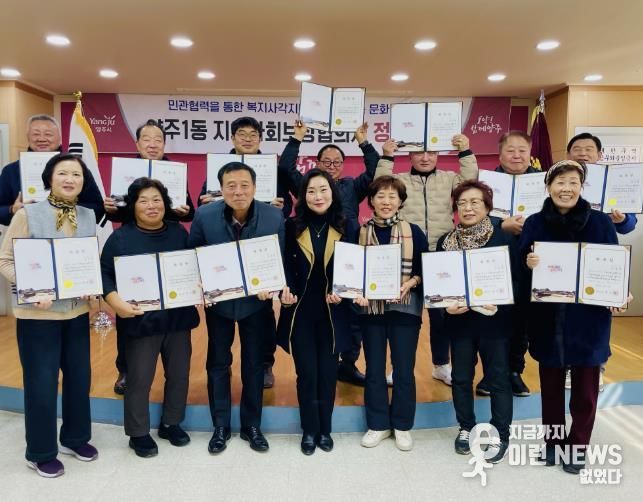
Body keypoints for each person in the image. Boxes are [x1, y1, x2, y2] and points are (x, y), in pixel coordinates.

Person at [519, 160, 632, 474]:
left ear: (582, 187)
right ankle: (553, 443)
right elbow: (520, 262)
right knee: (551, 387)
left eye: (572, 182)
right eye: (559, 182)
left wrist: (619, 292)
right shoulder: (535, 222)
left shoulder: (600, 222)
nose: (566, 189)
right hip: (547, 315)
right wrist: (528, 261)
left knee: (585, 389)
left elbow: (613, 264)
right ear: (548, 186)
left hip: (588, 317)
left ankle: (578, 446)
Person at [0, 153, 99, 478]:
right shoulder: (28, 214)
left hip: (76, 312)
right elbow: (5, 260)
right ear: (49, 179)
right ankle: (40, 452)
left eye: (77, 174)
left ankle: (75, 438)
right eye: (63, 173)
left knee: (79, 378)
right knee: (41, 383)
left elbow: (89, 260)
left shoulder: (87, 215)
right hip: (38, 316)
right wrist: (31, 288)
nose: (70, 179)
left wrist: (91, 287)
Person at [189, 161, 285, 454]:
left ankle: (251, 426)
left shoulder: (273, 216)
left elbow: (279, 259)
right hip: (219, 304)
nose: (238, 191)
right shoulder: (205, 215)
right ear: (221, 189)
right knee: (218, 363)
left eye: (245, 185)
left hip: (256, 304)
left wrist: (273, 286)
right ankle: (220, 426)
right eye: (231, 185)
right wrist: (199, 284)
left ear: (255, 188)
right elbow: (193, 255)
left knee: (254, 364)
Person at [100, 178, 200, 458]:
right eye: (143, 201)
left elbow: (192, 266)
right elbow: (103, 273)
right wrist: (115, 302)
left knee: (179, 374)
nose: (151, 206)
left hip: (178, 317)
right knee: (139, 378)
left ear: (165, 204)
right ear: (132, 205)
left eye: (157, 199)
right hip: (139, 320)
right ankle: (138, 432)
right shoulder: (120, 237)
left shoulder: (179, 232)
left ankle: (171, 423)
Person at [279, 121, 381, 386]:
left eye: (337, 162)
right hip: (315, 262)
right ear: (318, 163)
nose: (332, 165)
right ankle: (323, 366)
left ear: (343, 165)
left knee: (351, 321)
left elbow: (375, 170)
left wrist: (364, 142)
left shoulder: (352, 186)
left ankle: (348, 364)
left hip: (347, 262)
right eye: (327, 161)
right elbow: (286, 168)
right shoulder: (307, 185)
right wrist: (296, 138)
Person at [376, 135, 478, 387]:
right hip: (407, 254)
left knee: (440, 314)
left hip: (440, 254)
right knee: (401, 314)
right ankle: (397, 367)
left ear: (438, 154)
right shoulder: (400, 179)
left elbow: (470, 182)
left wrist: (465, 152)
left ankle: (441, 365)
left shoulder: (449, 179)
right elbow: (380, 185)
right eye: (419, 152)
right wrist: (387, 156)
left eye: (431, 152)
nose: (425, 157)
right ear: (409, 155)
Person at [103, 119, 195, 397]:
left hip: (168, 241)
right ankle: (125, 369)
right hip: (134, 245)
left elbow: (188, 211)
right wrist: (110, 208)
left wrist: (183, 210)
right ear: (137, 143)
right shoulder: (124, 172)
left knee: (169, 313)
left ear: (164, 144)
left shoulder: (173, 172)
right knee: (131, 312)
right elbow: (119, 212)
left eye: (158, 140)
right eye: (147, 139)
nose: (153, 144)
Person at [198, 116, 291, 389]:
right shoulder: (219, 169)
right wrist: (207, 201)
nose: (247, 139)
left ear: (260, 139)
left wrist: (279, 206)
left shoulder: (272, 170)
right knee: (220, 335)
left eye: (253, 134)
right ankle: (222, 369)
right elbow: (202, 208)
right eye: (242, 134)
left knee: (262, 324)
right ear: (232, 138)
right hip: (223, 267)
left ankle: (265, 365)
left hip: (258, 264)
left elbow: (285, 210)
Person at [437, 180, 516, 464]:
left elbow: (517, 279)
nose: (468, 208)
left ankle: (500, 433)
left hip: (495, 322)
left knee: (498, 378)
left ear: (487, 207)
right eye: (462, 203)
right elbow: (440, 282)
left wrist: (501, 302)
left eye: (475, 202)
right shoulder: (445, 242)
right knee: (461, 378)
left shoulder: (504, 237)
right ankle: (466, 426)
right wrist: (446, 306)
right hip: (460, 323)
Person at [277, 169, 353, 455]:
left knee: (328, 374)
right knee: (307, 375)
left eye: (323, 189)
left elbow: (355, 268)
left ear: (333, 193)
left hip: (334, 313)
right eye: (311, 191)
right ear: (303, 196)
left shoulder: (347, 225)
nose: (317, 196)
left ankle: (325, 430)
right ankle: (309, 430)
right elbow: (284, 264)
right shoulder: (292, 226)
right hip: (300, 313)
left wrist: (344, 292)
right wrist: (284, 292)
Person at [354, 176, 428, 451]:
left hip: (405, 308)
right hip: (370, 309)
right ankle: (377, 424)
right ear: (371, 201)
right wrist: (356, 290)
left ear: (401, 201)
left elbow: (424, 269)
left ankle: (402, 425)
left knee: (403, 369)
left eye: (392, 196)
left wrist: (410, 283)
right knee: (374, 368)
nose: (386, 202)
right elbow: (351, 269)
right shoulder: (358, 232)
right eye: (381, 196)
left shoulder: (414, 232)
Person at [566, 133, 637, 391]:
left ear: (600, 155)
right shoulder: (562, 180)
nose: (583, 153)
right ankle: (569, 367)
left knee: (599, 316)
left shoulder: (614, 183)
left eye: (589, 149)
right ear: (568, 154)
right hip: (568, 256)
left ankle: (597, 368)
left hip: (603, 258)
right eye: (577, 149)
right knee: (567, 314)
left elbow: (629, 224)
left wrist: (621, 219)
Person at [476, 131, 536, 398]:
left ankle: (514, 371)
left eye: (522, 150)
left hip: (531, 262)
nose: (516, 155)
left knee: (522, 320)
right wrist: (501, 224)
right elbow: (472, 219)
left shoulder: (543, 182)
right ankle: (491, 373)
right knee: (492, 317)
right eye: (510, 150)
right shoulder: (485, 185)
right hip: (494, 260)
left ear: (530, 153)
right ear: (500, 155)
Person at [0, 114, 104, 226]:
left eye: (48, 134)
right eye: (36, 134)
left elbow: (98, 209)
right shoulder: (11, 171)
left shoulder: (78, 169)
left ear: (59, 139)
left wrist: (68, 208)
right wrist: (12, 210)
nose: (41, 139)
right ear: (28, 137)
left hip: (70, 233)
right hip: (26, 233)